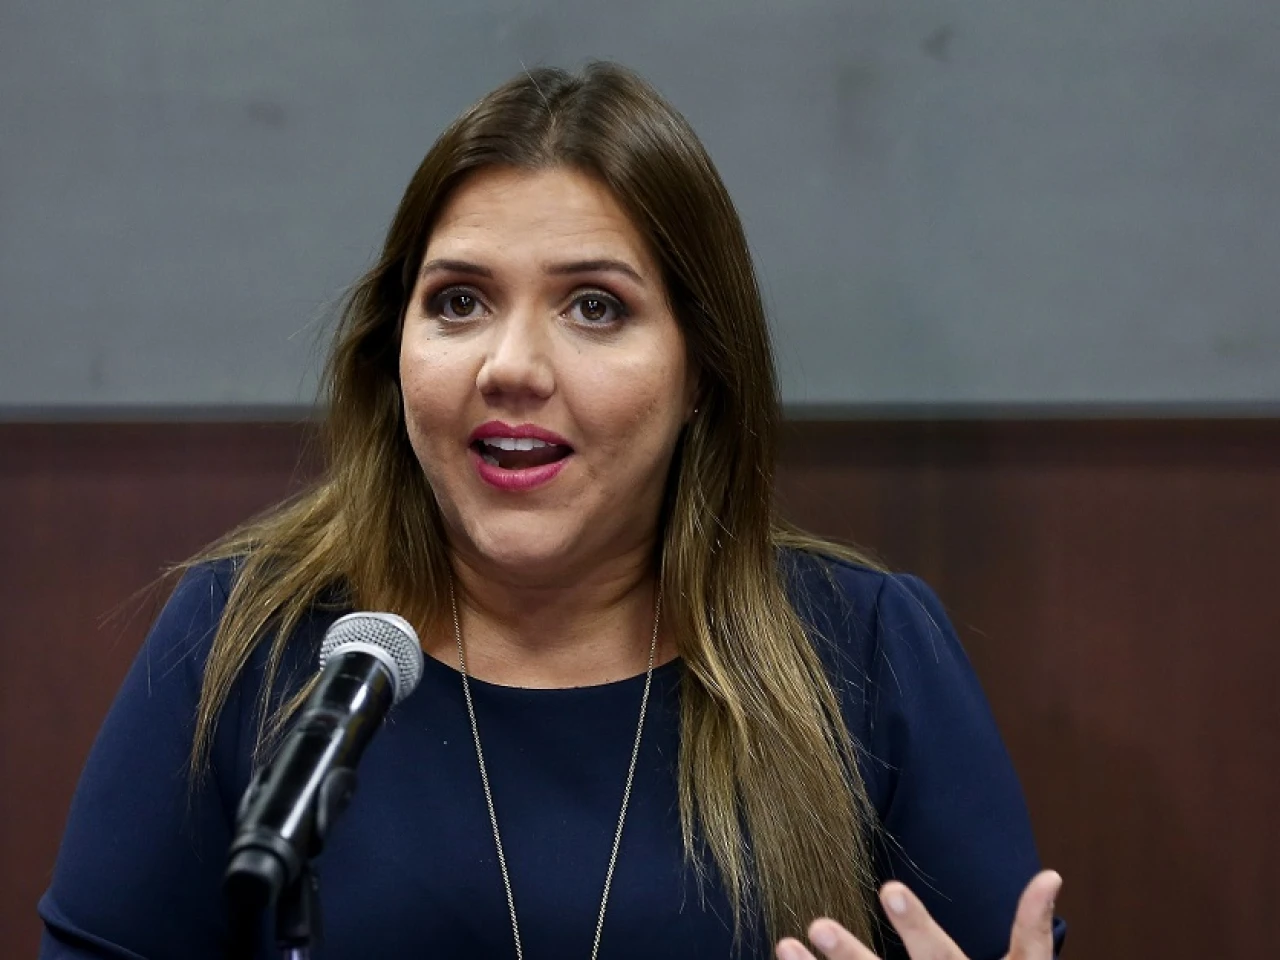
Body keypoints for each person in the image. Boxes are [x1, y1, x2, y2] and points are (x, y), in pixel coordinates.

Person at [39, 62, 1065, 960]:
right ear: (392, 351)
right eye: (459, 301)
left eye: (594, 307)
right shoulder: (245, 642)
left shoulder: (868, 651)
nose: (512, 366)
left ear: (701, 372)